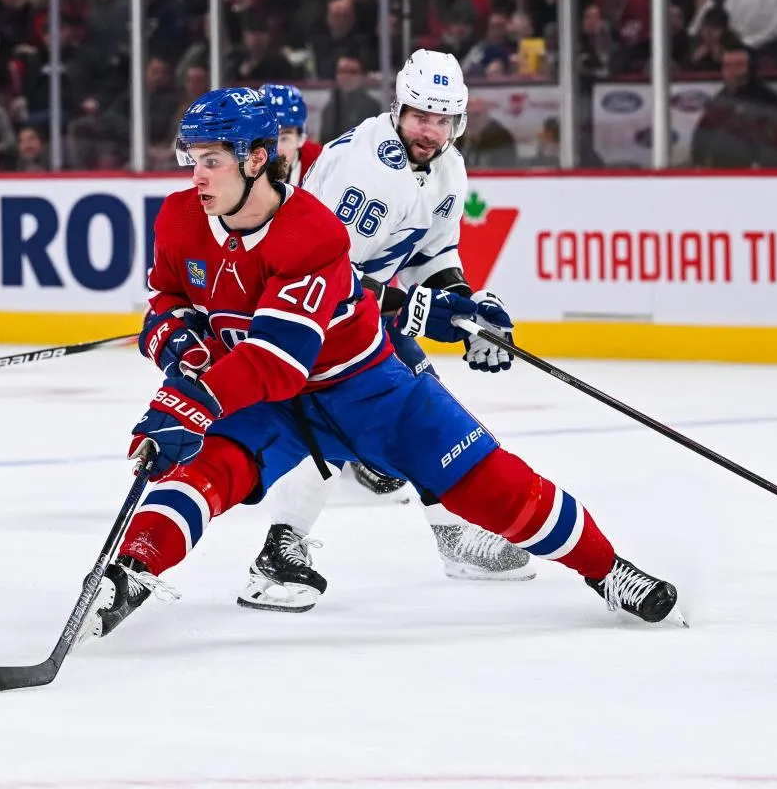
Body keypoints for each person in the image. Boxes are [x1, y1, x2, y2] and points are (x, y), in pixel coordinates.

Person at [75, 86, 683, 643]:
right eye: (192, 158)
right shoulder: (181, 218)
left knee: (498, 489)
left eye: (211, 161)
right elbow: (167, 307)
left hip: (369, 389)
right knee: (202, 469)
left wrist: (191, 399)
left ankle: (608, 570)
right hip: (276, 402)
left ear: (255, 160)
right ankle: (128, 573)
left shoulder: (312, 232)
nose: (195, 175)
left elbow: (278, 360)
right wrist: (181, 351)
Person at [237, 50, 537, 615]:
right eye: (421, 116)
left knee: (402, 408)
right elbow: (322, 271)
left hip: (356, 311)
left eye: (443, 120)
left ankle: (323, 530)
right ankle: (285, 545)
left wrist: (465, 306)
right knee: (349, 416)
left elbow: (435, 252)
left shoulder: (448, 167)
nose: (430, 130)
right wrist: (418, 310)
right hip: (301, 307)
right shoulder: (363, 165)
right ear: (398, 108)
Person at [259, 83, 322, 187]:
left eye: (284, 138)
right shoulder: (237, 165)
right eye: (267, 137)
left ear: (300, 139)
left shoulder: (320, 161)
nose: (275, 149)